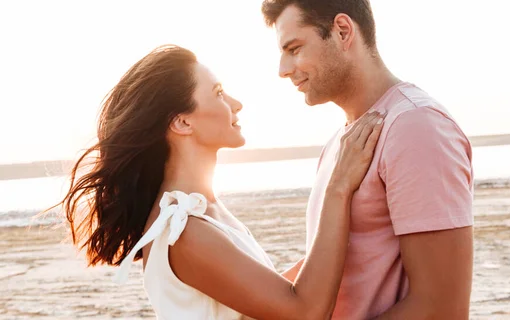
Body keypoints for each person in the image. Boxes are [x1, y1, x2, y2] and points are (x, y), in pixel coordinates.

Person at [58, 44, 385, 319]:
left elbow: (260, 298)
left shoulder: (201, 212)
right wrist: (337, 189)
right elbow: (304, 312)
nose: (236, 104)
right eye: (217, 93)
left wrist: (362, 238)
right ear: (183, 122)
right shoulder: (184, 231)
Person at [261, 0, 474, 319]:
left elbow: (442, 308)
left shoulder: (416, 126)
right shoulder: (339, 144)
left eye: (294, 49)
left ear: (343, 31)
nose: (283, 70)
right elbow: (348, 269)